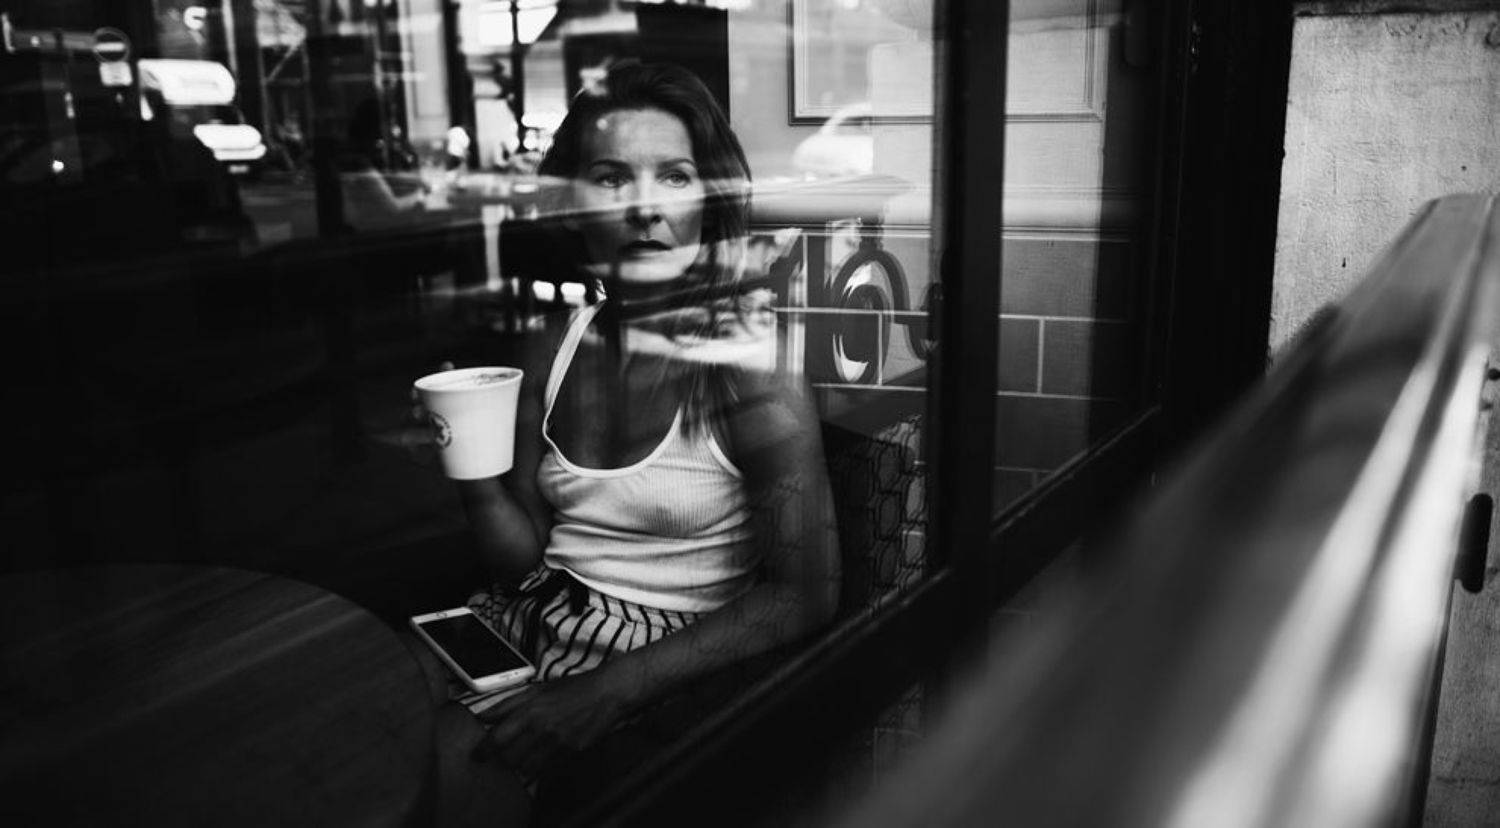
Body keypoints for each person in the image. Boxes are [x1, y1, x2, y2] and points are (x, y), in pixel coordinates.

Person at [423, 59, 838, 817]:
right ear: (574, 209)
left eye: (675, 177)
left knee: (452, 765)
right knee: (377, 710)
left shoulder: (747, 366)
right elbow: (523, 558)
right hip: (532, 613)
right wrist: (471, 467)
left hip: (658, 660)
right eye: (613, 179)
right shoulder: (555, 345)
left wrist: (603, 695)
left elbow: (803, 594)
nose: (646, 208)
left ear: (708, 205)